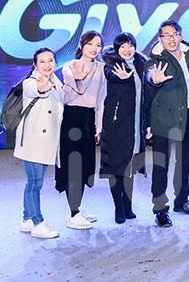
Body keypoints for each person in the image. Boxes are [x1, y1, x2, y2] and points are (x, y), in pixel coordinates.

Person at [146, 20, 189, 228]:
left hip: (188, 115)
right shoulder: (156, 60)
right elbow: (151, 77)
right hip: (163, 118)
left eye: (174, 34)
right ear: (160, 39)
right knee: (161, 164)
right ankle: (160, 208)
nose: (171, 39)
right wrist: (155, 79)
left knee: (184, 161)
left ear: (181, 36)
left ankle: (182, 200)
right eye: (166, 35)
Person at [57, 30, 106, 230]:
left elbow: (101, 100)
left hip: (88, 119)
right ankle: (73, 214)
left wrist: (99, 126)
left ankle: (77, 207)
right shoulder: (70, 66)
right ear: (82, 46)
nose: (95, 48)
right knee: (73, 165)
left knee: (85, 165)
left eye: (98, 45)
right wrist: (78, 79)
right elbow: (71, 95)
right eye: (90, 44)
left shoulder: (102, 68)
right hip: (71, 119)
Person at [16, 48, 64, 239]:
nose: (47, 65)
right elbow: (36, 90)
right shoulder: (30, 82)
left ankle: (27, 218)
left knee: (33, 182)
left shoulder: (57, 82)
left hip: (46, 141)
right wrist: (42, 87)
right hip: (34, 141)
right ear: (35, 65)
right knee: (35, 183)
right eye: (42, 61)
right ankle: (38, 222)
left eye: (50, 60)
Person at [100, 33, 147, 225]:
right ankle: (118, 207)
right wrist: (120, 77)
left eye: (130, 45)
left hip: (135, 123)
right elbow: (111, 75)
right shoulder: (111, 65)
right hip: (116, 125)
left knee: (130, 167)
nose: (127, 50)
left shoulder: (141, 64)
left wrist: (147, 123)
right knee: (116, 167)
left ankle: (128, 206)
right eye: (123, 46)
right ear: (117, 49)